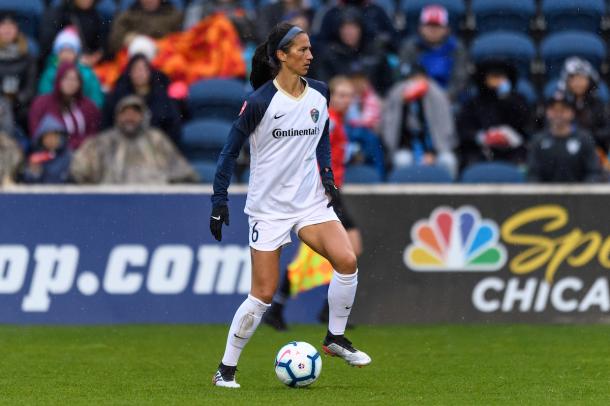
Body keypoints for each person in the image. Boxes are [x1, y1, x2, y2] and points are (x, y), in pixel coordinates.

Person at [210, 23, 371, 388]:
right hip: (268, 209)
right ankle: (226, 370)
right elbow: (228, 153)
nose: (310, 56)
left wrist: (327, 174)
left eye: (310, 49)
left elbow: (322, 137)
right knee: (262, 295)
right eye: (301, 50)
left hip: (310, 201)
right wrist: (219, 200)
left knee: (346, 260)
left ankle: (334, 338)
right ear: (281, 55)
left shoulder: (320, 93)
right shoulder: (259, 102)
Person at [262, 75, 363, 331]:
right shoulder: (325, 119)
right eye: (340, 94)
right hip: (322, 192)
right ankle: (284, 308)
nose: (345, 100)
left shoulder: (337, 121)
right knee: (314, 257)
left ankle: (318, 310)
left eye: (348, 95)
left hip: (332, 190)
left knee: (350, 248)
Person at [71, 95, 197, 184]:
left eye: (135, 113)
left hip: (153, 205)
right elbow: (79, 171)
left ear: (142, 116)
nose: (129, 117)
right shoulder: (103, 142)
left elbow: (183, 172)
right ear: (117, 116)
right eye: (125, 113)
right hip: (112, 206)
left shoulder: (156, 140)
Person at [382, 64, 458, 178]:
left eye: (419, 79)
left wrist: (432, 153)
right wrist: (404, 102)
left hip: (435, 148)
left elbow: (446, 130)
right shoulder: (397, 96)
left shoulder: (437, 96)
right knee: (402, 161)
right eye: (413, 79)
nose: (415, 83)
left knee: (448, 161)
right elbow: (392, 132)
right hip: (407, 147)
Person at [457, 59, 530, 169]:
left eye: (502, 77)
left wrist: (510, 136)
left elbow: (527, 125)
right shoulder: (474, 102)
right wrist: (481, 137)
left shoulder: (518, 100)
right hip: (481, 149)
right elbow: (464, 129)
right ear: (485, 79)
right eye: (494, 77)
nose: (499, 81)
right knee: (471, 162)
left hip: (513, 148)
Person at [102, 54, 181, 143]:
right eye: (136, 70)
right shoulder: (118, 97)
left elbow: (173, 125)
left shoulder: (161, 97)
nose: (139, 73)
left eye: (143, 69)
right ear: (129, 73)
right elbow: (107, 124)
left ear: (149, 72)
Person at [399, 4, 468, 101]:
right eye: (429, 25)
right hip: (417, 98)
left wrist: (444, 98)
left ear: (447, 29)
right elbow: (404, 73)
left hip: (449, 99)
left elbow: (460, 78)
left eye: (437, 26)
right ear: (421, 28)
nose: (433, 30)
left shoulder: (456, 47)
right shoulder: (410, 46)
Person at [528, 91, 601, 183]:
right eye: (554, 110)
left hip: (579, 194)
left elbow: (593, 172)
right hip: (546, 195)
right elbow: (533, 173)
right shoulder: (538, 140)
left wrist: (583, 193)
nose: (558, 114)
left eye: (563, 110)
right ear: (547, 113)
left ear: (572, 113)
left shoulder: (585, 139)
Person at [314, 12, 393, 95]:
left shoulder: (375, 52)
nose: (349, 32)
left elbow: (387, 84)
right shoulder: (328, 54)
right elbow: (322, 86)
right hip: (337, 101)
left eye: (353, 28)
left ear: (361, 29)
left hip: (374, 101)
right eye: (345, 28)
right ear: (338, 30)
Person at [29, 62, 100, 151]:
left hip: (84, 153)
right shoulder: (42, 104)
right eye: (66, 78)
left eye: (75, 79)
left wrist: (78, 145)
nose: (70, 83)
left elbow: (93, 134)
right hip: (52, 154)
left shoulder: (89, 106)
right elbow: (37, 134)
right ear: (59, 80)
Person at [38, 27, 104, 108]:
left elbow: (96, 99)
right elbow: (44, 97)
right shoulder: (50, 73)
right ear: (57, 53)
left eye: (70, 51)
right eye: (63, 50)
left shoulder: (87, 74)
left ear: (76, 54)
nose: (66, 55)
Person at [557, 57, 610, 153]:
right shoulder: (560, 104)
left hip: (594, 150)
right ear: (566, 82)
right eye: (573, 79)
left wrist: (588, 137)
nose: (578, 83)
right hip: (563, 150)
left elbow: (606, 130)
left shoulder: (598, 104)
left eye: (581, 78)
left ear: (590, 81)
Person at [39, 0, 107, 66]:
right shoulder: (59, 14)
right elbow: (48, 48)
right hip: (61, 64)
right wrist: (74, 60)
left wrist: (92, 59)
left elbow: (102, 48)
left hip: (89, 66)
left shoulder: (97, 16)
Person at [0, 11, 37, 129]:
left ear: (17, 29)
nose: (7, 30)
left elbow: (31, 87)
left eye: (11, 26)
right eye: (3, 26)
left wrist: (16, 100)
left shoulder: (28, 57)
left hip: (21, 108)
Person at [108, 0, 183, 56]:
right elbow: (114, 40)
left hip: (164, 55)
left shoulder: (173, 15)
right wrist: (127, 38)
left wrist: (162, 45)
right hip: (136, 57)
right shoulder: (129, 15)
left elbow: (181, 41)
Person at [23, 115, 72, 184]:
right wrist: (33, 172)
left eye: (55, 136)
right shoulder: (36, 157)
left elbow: (75, 180)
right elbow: (28, 182)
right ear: (41, 139)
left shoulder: (69, 156)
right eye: (48, 137)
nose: (51, 140)